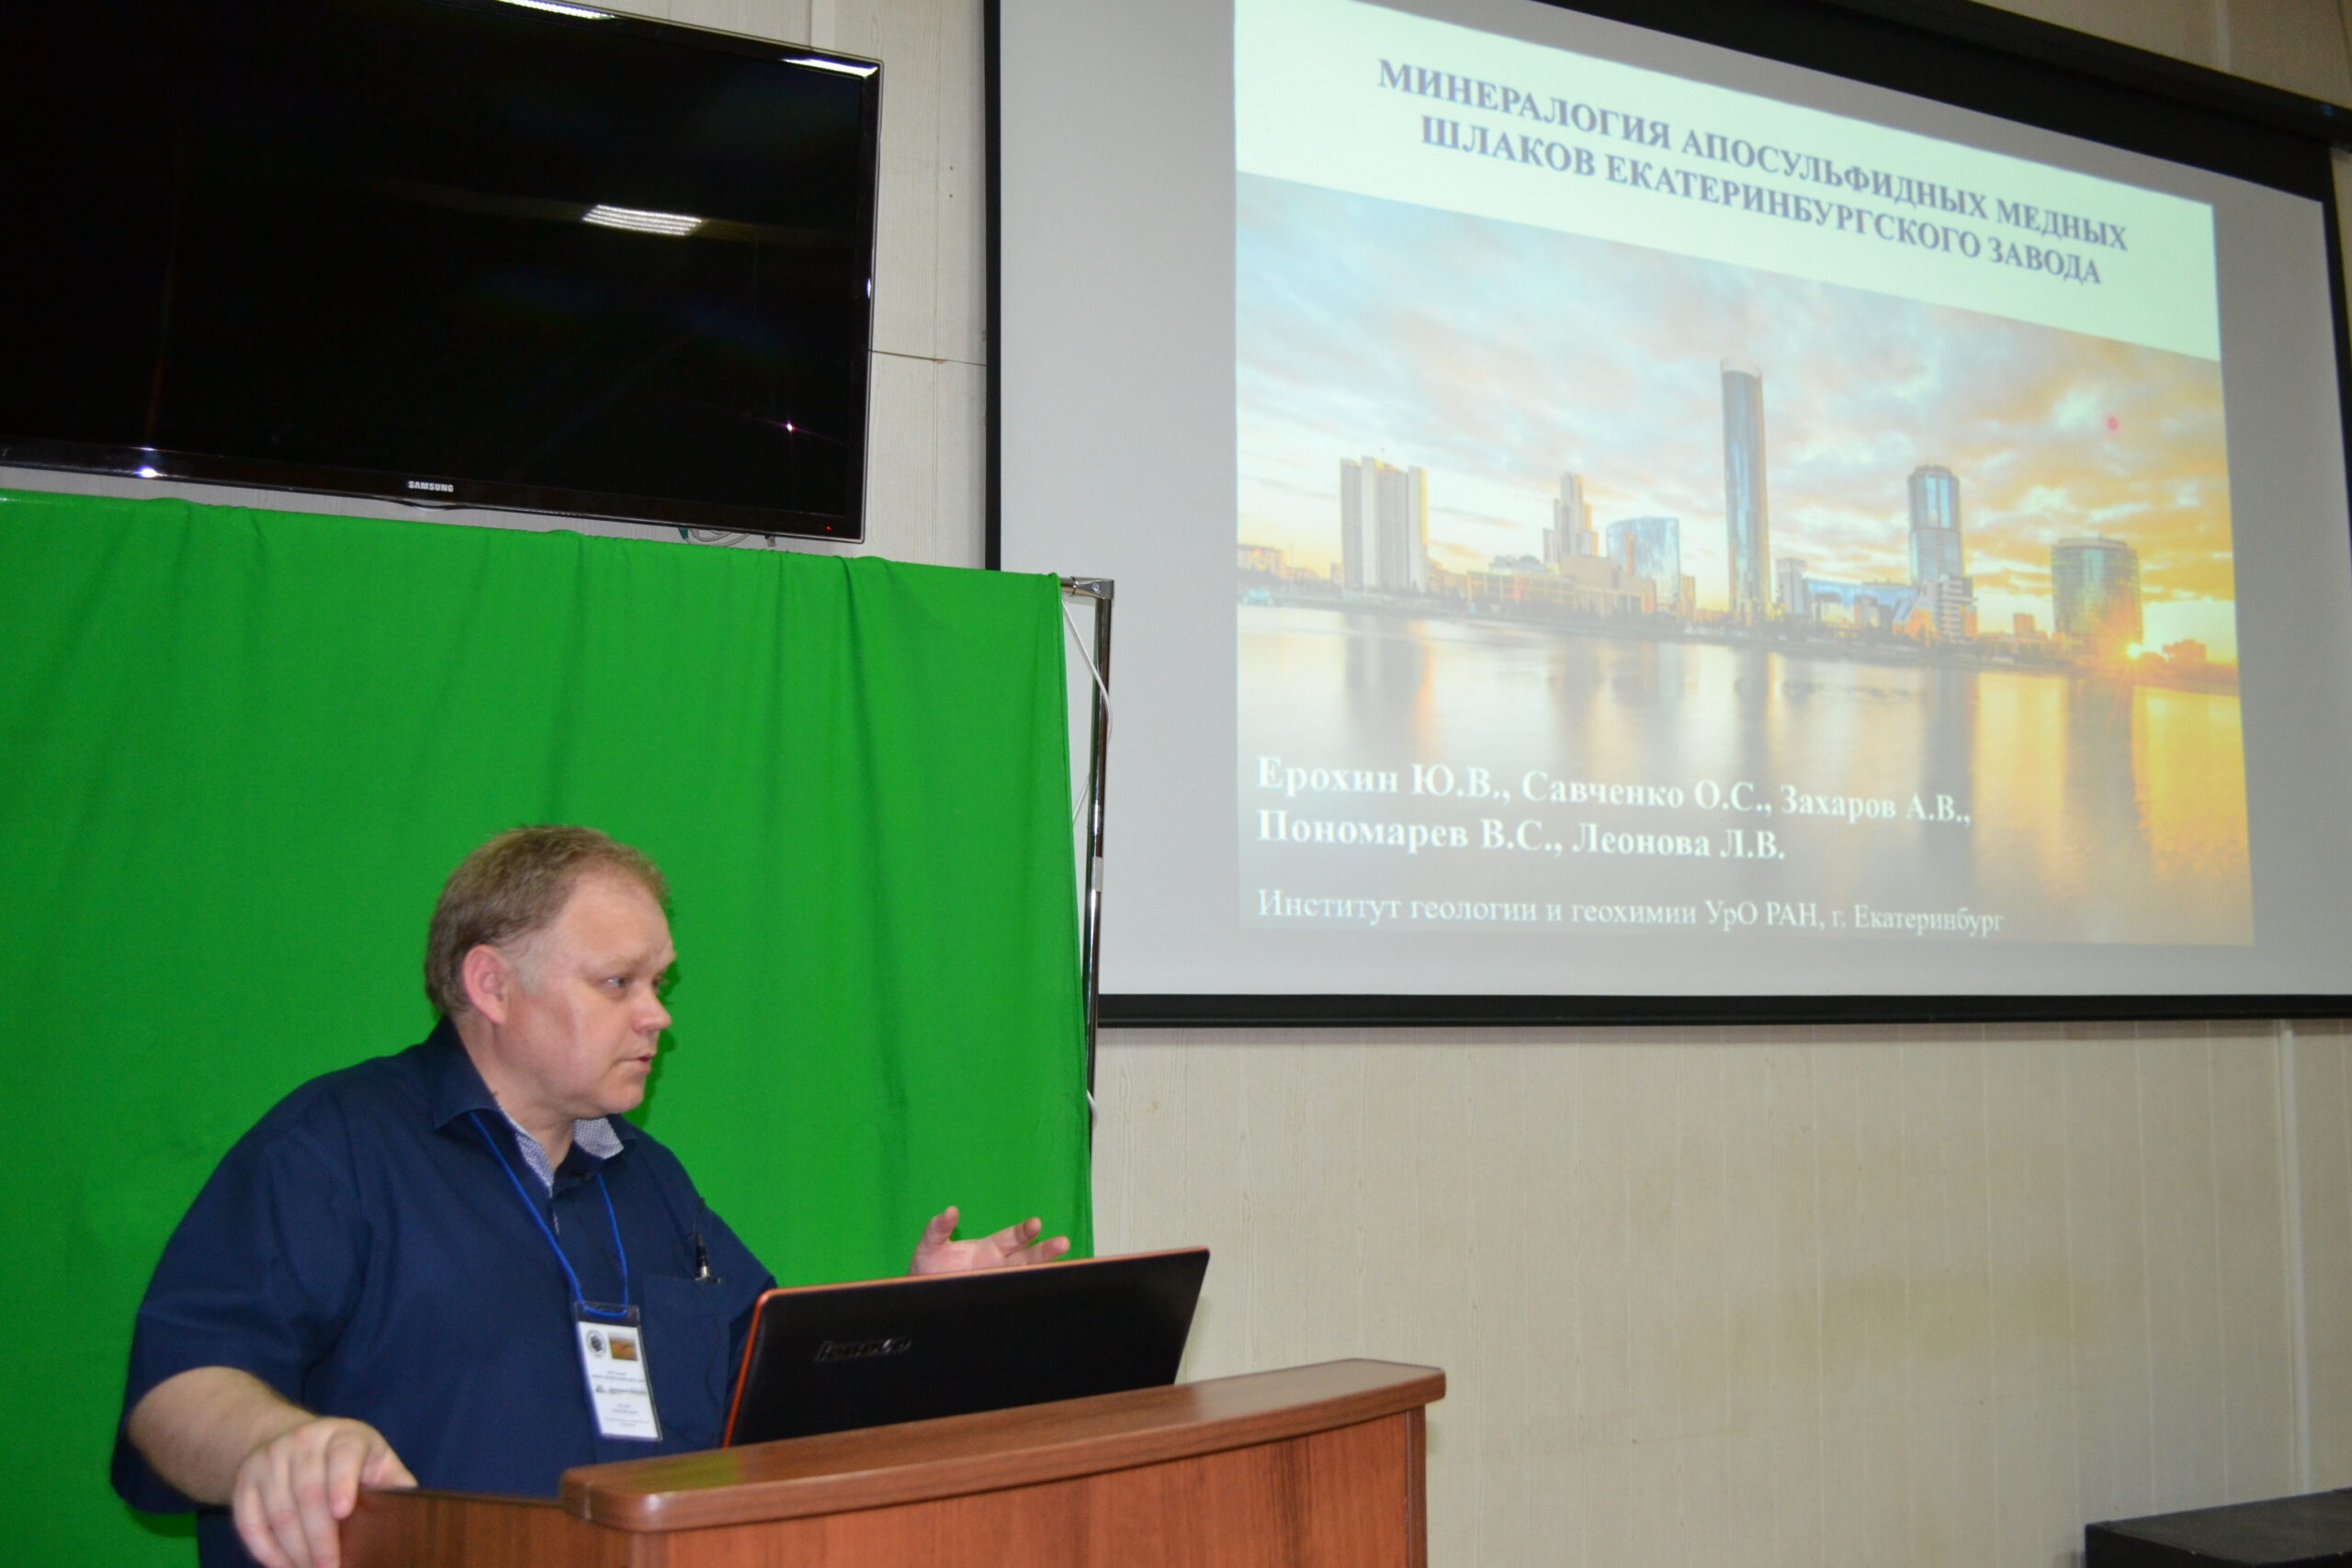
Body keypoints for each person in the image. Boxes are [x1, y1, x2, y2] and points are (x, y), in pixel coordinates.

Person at [113, 826, 1069, 1568]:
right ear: (492, 984)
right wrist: (279, 1441)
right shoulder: (332, 1150)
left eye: (658, 981)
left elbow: (768, 1391)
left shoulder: (651, 1180)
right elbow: (175, 1394)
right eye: (619, 983)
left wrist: (918, 1317)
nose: (658, 1015)